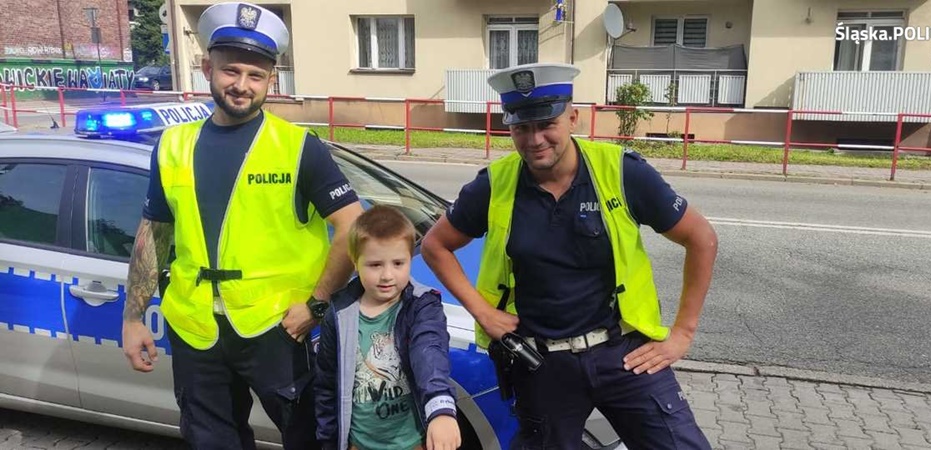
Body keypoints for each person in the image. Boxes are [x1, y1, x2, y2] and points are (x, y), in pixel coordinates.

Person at [419, 62, 719, 449]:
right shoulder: (493, 185)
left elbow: (701, 238)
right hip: (542, 365)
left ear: (573, 117)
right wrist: (483, 312)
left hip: (625, 355)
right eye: (521, 127)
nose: (535, 139)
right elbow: (434, 245)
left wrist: (682, 333)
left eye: (547, 124)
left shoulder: (621, 172)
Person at [120, 3, 364, 449]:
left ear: (272, 79)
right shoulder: (173, 146)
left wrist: (317, 305)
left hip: (278, 331)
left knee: (311, 439)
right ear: (206, 67)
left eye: (256, 76)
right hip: (196, 330)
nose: (242, 85)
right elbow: (155, 231)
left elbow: (354, 227)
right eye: (231, 71)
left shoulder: (298, 149)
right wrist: (133, 317)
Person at [314, 205, 461, 450]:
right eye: (375, 265)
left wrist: (440, 407)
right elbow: (327, 386)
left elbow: (430, 352)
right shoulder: (338, 314)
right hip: (359, 445)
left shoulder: (422, 307)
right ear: (355, 261)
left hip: (414, 444)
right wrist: (329, 442)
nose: (387, 275)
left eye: (398, 263)